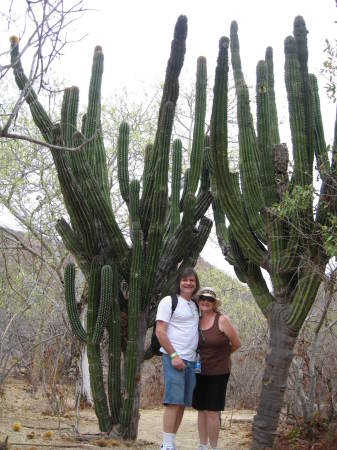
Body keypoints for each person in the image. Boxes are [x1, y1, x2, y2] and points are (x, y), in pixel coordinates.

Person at [155, 267, 200, 450]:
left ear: (196, 284)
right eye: (185, 280)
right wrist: (174, 355)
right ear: (179, 282)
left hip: (190, 360)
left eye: (192, 280)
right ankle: (166, 446)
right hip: (174, 357)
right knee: (173, 402)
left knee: (181, 404)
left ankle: (171, 442)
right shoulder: (169, 301)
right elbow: (160, 330)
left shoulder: (195, 305)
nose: (188, 283)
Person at [192, 287, 241, 450]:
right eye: (203, 298)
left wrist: (223, 356)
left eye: (210, 299)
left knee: (212, 411)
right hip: (199, 372)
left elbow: (236, 344)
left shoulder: (222, 320)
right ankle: (202, 446)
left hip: (219, 373)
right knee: (201, 410)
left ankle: (213, 447)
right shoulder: (195, 321)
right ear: (198, 301)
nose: (206, 301)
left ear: (214, 303)